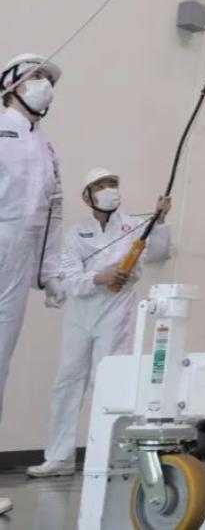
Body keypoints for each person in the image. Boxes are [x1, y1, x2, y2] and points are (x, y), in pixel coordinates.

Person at [27, 169, 171, 478]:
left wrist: (158, 222)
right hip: (81, 315)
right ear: (88, 196)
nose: (109, 190)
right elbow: (70, 279)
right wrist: (100, 277)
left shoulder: (134, 225)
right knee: (67, 381)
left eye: (113, 184)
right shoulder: (77, 233)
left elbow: (158, 251)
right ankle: (59, 457)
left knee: (111, 381)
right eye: (101, 186)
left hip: (118, 311)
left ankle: (115, 455)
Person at [0, 53, 67, 515]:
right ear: (12, 85)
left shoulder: (47, 149)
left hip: (18, 265)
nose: (45, 84)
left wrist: (51, 272)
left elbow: (51, 216)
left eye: (48, 78)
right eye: (37, 76)